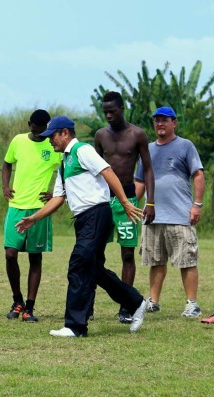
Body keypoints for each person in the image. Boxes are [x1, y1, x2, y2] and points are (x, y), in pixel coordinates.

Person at [16, 116, 147, 337]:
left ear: (65, 133)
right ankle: (136, 302)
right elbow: (58, 198)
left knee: (77, 264)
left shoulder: (82, 151)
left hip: (96, 214)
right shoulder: (64, 163)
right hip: (84, 220)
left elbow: (108, 172)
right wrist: (34, 218)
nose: (50, 142)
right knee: (93, 270)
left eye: (53, 137)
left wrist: (125, 202)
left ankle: (75, 326)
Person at [135, 107, 204, 318]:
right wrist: (129, 206)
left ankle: (191, 304)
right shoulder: (147, 149)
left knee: (187, 261)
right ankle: (153, 301)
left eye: (164, 120)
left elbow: (198, 175)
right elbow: (139, 181)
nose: (160, 124)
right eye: (157, 120)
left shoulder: (185, 146)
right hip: (153, 216)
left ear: (174, 123)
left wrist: (197, 205)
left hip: (180, 216)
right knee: (155, 261)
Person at [94, 91, 155, 323]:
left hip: (128, 200)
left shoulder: (137, 134)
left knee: (127, 253)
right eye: (105, 112)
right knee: (95, 254)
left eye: (112, 111)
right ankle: (87, 305)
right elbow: (94, 170)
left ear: (122, 109)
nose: (108, 115)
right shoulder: (100, 136)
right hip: (102, 201)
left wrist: (150, 201)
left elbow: (148, 168)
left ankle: (126, 306)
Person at [1, 109, 61, 322]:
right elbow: (7, 163)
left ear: (48, 127)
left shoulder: (53, 146)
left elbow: (65, 170)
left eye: (41, 131)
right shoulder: (18, 141)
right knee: (10, 254)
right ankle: (17, 301)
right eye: (34, 130)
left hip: (39, 209)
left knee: (35, 257)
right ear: (29, 124)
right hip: (16, 206)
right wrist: (5, 186)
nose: (38, 134)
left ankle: (30, 308)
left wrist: (56, 192)